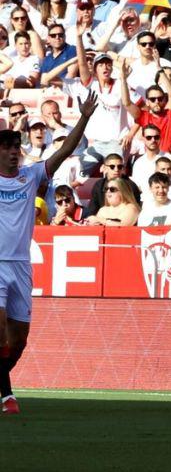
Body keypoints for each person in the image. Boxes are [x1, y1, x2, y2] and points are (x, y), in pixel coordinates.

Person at [0, 92, 97, 414]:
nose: (15, 154)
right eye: (8, 148)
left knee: (19, 340)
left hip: (21, 265)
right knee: (0, 334)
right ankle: (7, 395)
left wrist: (83, 117)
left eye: (17, 148)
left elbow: (65, 150)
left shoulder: (31, 177)